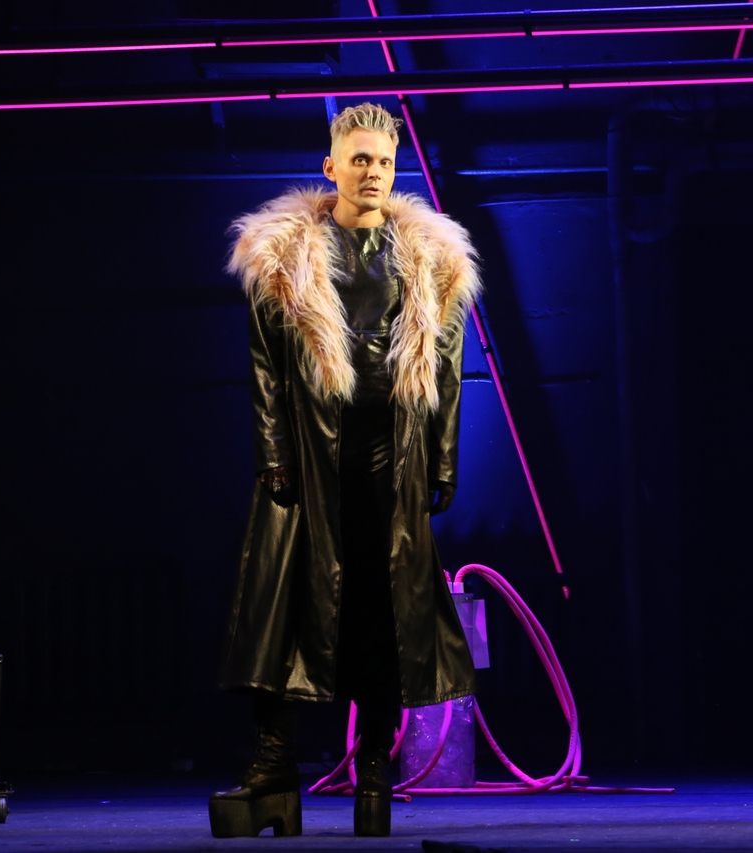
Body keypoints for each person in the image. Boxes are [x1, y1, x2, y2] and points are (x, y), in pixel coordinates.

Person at [210, 102, 480, 838]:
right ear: (331, 166)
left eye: (385, 162)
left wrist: (443, 460)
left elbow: (446, 371)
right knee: (279, 613)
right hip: (307, 458)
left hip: (390, 460)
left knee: (384, 616)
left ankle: (374, 773)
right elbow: (265, 368)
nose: (373, 173)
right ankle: (275, 768)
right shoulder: (283, 255)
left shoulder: (431, 259)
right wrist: (274, 455)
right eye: (360, 159)